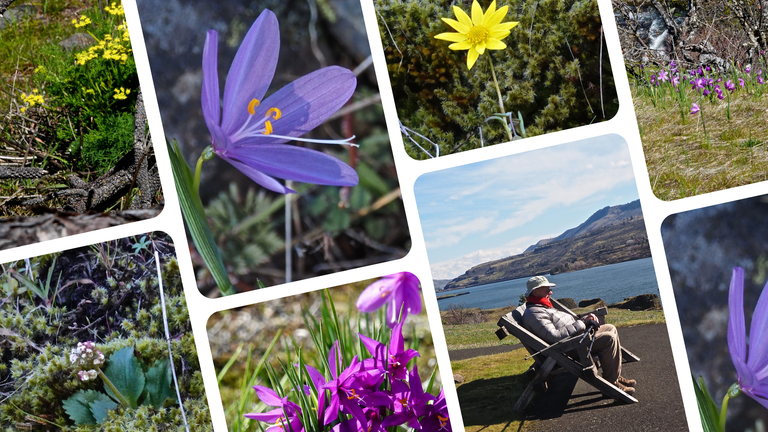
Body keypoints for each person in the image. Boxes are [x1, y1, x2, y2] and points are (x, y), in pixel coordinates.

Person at [520, 275, 637, 395]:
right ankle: (611, 384)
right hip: (568, 348)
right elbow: (555, 336)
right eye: (547, 289)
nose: (551, 292)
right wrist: (583, 323)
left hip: (576, 339)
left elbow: (565, 324)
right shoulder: (534, 313)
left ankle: (614, 377)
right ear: (536, 291)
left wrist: (585, 319)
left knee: (610, 328)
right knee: (609, 339)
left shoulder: (542, 305)